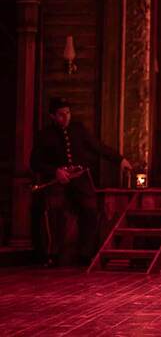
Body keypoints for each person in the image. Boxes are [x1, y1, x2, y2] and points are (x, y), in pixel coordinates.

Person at [30, 97, 132, 267]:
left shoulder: (79, 130)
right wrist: (55, 171)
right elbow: (34, 162)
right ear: (52, 116)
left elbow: (98, 147)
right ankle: (53, 254)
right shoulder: (45, 135)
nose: (66, 117)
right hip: (57, 182)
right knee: (55, 211)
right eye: (61, 114)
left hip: (79, 181)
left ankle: (86, 254)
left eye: (68, 113)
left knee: (91, 209)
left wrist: (120, 160)